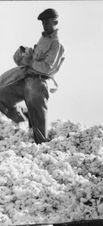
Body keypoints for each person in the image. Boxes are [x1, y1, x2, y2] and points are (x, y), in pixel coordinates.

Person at [0, 8, 65, 144]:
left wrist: (31, 61)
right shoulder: (43, 39)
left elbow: (48, 67)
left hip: (38, 83)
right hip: (25, 78)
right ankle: (23, 120)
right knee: (1, 95)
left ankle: (41, 147)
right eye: (43, 22)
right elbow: (34, 59)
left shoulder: (56, 43)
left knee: (39, 128)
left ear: (55, 22)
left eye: (48, 22)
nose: (45, 25)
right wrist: (26, 53)